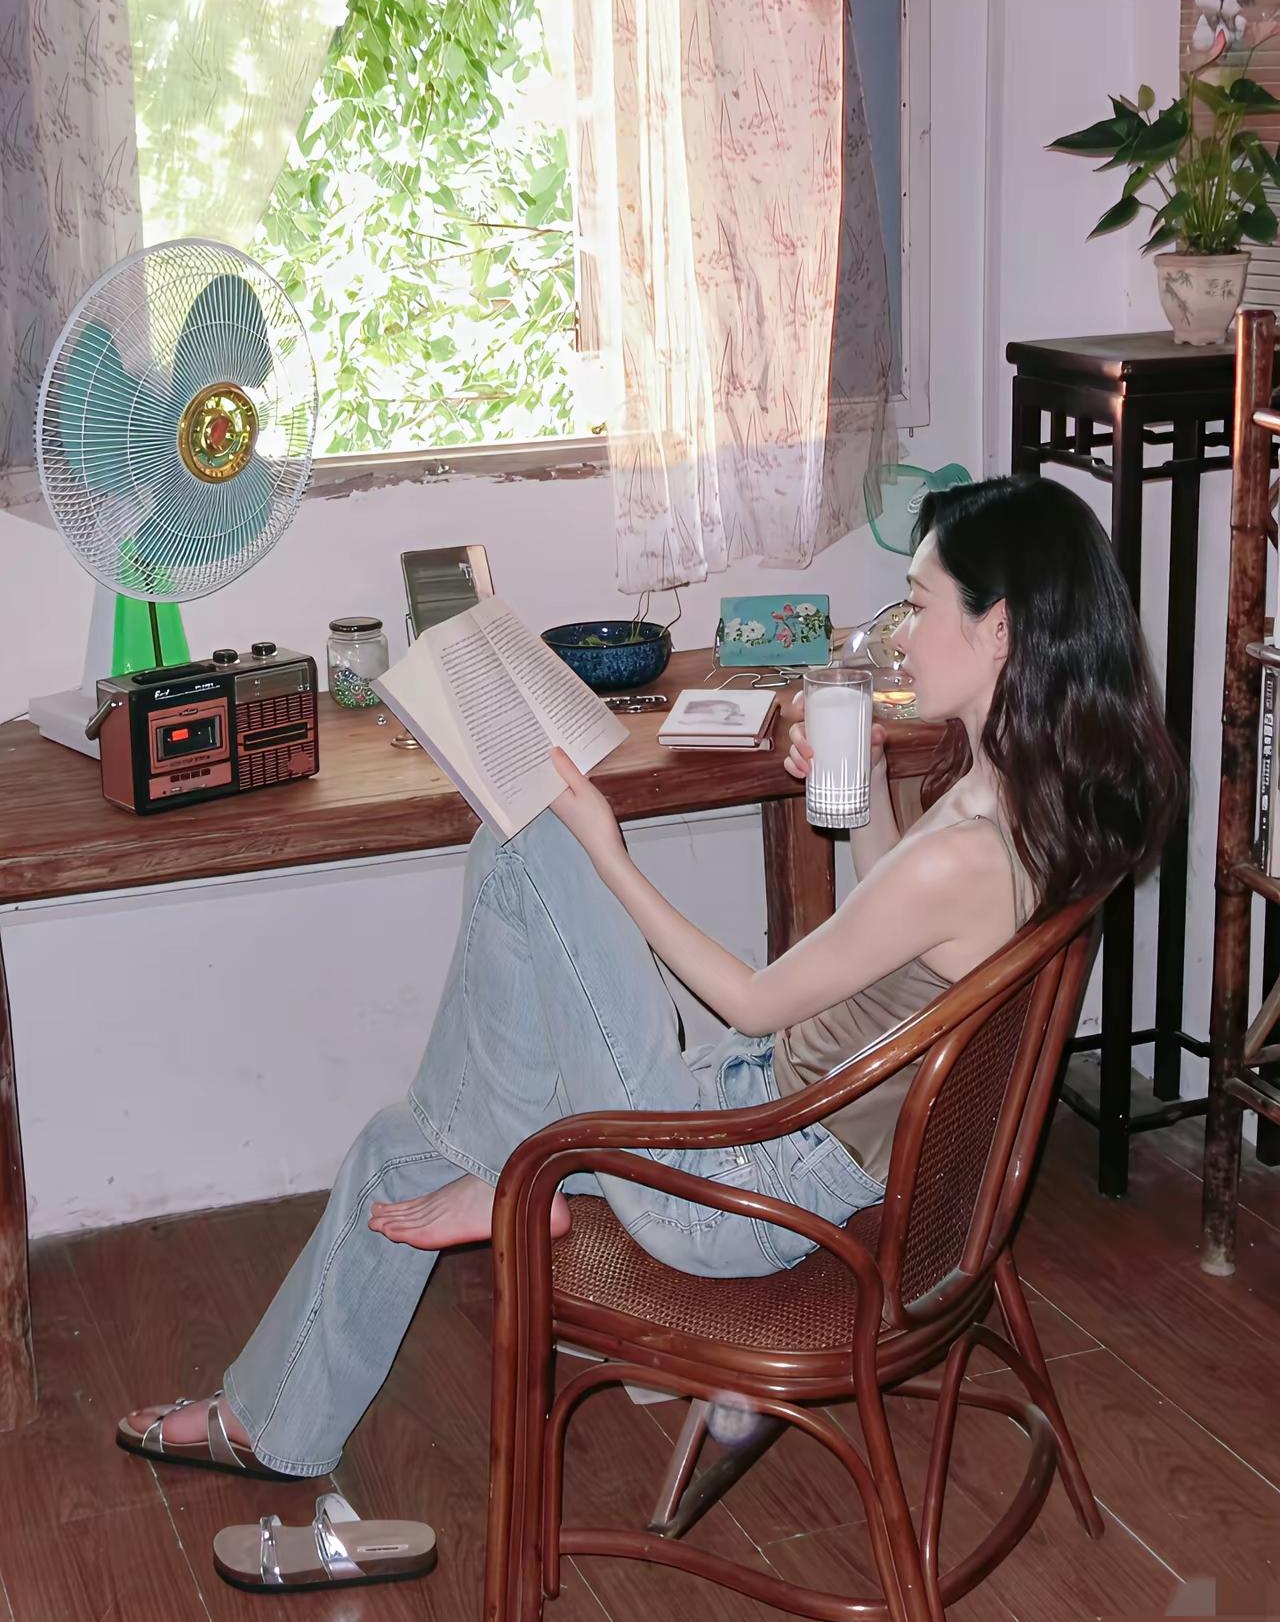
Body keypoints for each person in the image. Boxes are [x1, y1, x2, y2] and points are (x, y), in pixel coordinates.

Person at [118, 475, 1183, 1483]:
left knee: (527, 835)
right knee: (401, 1144)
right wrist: (858, 792)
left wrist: (610, 848)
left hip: (739, 1189)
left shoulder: (967, 854)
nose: (899, 631)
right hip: (769, 1121)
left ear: (999, 630)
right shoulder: (1026, 802)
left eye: (919, 603)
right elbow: (902, 936)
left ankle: (509, 1172)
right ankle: (311, 1378)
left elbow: (754, 997)